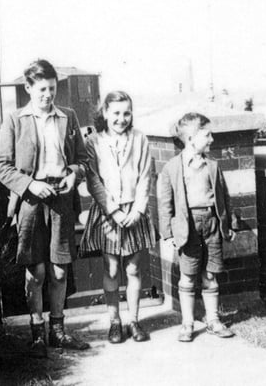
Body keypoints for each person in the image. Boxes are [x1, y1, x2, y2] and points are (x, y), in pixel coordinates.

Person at [0, 59, 90, 357]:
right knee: (35, 271)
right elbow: (2, 165)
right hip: (31, 201)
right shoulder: (15, 120)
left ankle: (58, 330)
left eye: (52, 88)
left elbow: (83, 160)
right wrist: (30, 185)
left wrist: (74, 174)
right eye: (42, 89)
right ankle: (37, 332)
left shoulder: (68, 117)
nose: (48, 95)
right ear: (28, 89)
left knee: (60, 269)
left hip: (61, 199)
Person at [80, 91, 154, 344]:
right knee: (111, 269)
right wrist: (113, 210)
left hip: (134, 212)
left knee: (133, 268)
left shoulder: (140, 139)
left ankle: (134, 321)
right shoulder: (93, 142)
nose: (121, 119)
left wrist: (137, 210)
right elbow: (93, 181)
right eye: (116, 113)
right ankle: (114, 321)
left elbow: (146, 176)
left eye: (126, 113)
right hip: (108, 213)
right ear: (105, 113)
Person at [156, 112, 236, 342]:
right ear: (191, 138)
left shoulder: (212, 165)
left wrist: (227, 225)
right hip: (187, 227)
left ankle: (213, 320)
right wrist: (168, 232)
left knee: (210, 274)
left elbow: (224, 197)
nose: (212, 140)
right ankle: (187, 323)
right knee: (188, 276)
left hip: (211, 224)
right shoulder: (172, 168)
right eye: (207, 135)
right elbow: (165, 203)